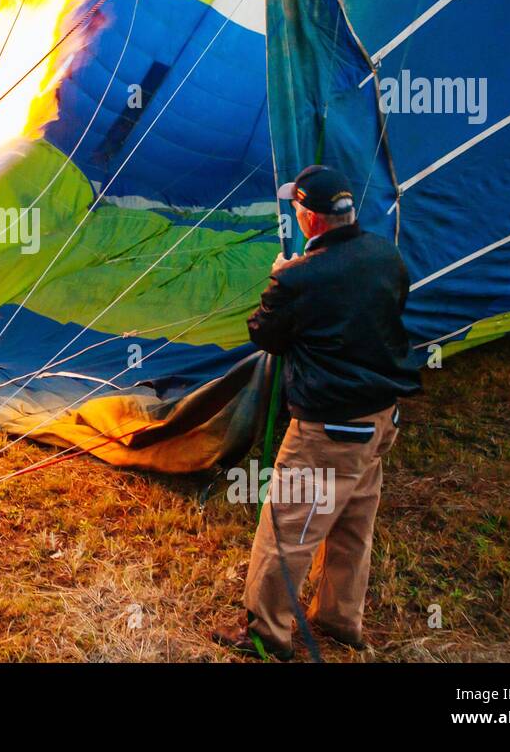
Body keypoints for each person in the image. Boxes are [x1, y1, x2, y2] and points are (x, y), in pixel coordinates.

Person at [212, 165, 421, 659]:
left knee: (288, 529)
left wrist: (280, 278)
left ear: (310, 219)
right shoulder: (386, 255)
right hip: (381, 419)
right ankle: (340, 618)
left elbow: (265, 333)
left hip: (328, 428)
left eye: (298, 209)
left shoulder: (301, 277)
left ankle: (266, 633)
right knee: (352, 523)